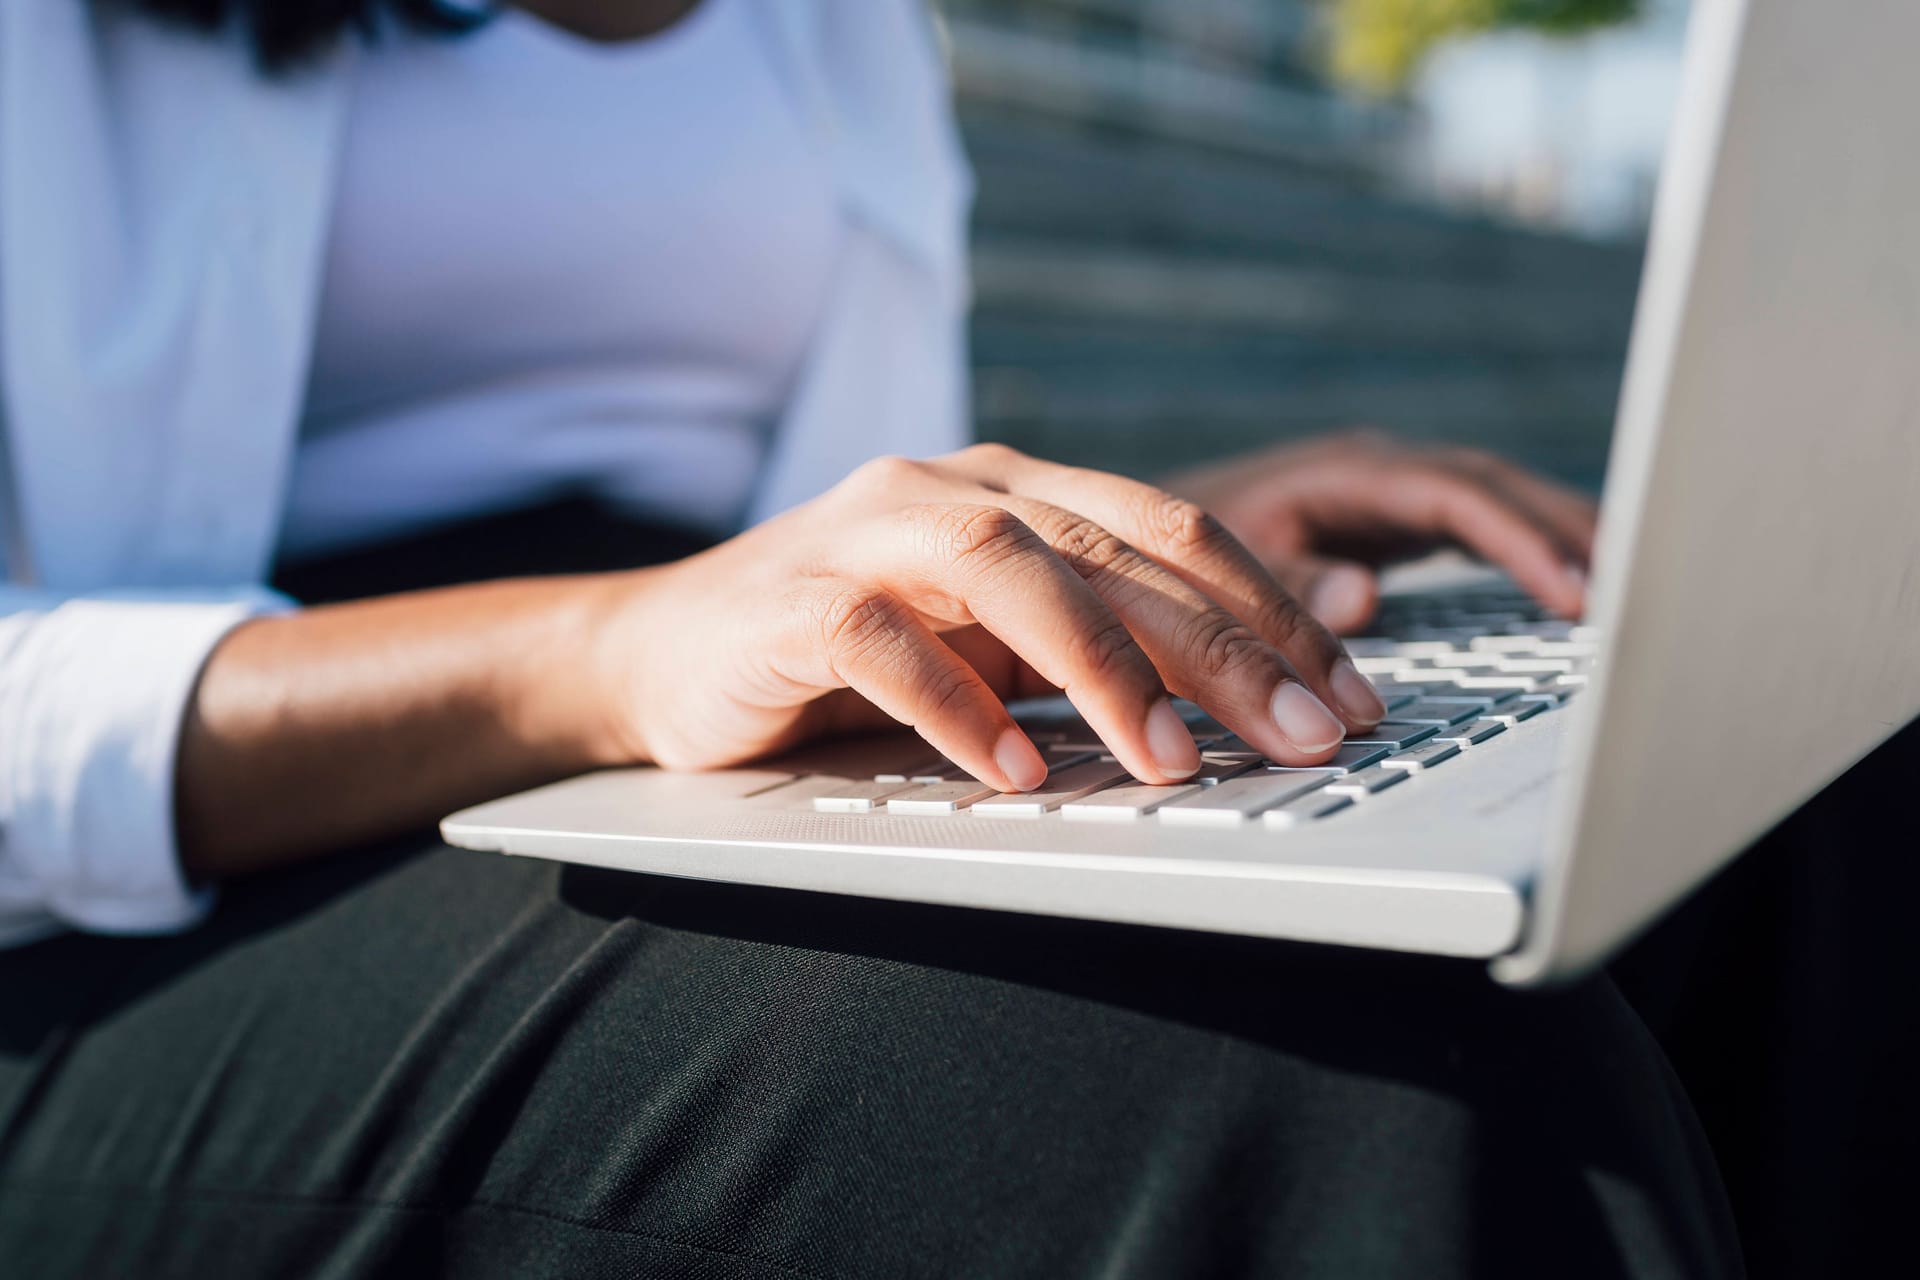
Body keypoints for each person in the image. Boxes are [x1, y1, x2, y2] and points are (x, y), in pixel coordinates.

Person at [0, 1, 1741, 1275]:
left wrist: (1130, 547)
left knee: (1746, 831)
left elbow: (801, 497)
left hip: (672, 712)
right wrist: (603, 645)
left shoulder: (829, 30)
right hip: (173, 874)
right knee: (1353, 1083)